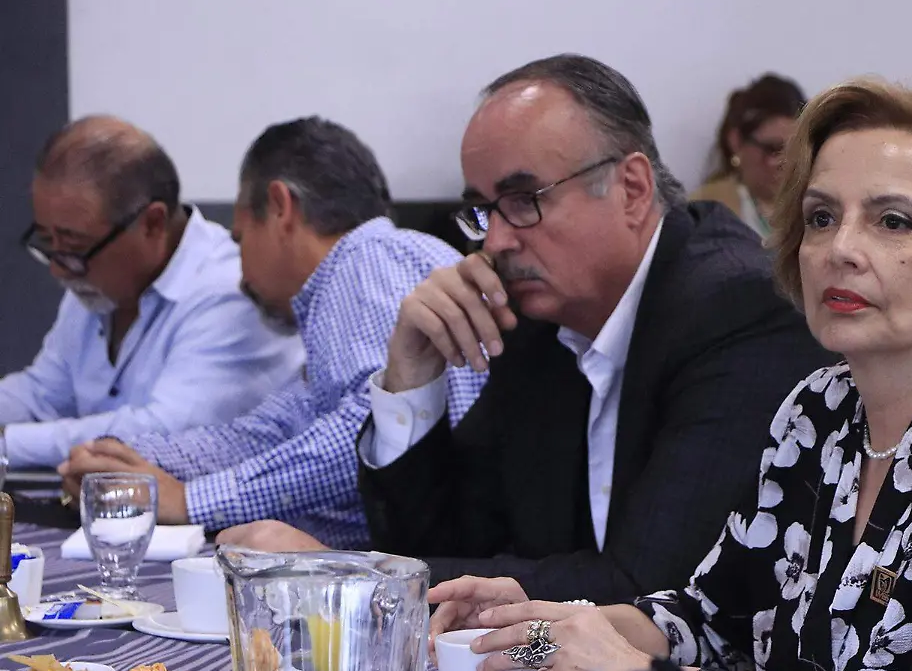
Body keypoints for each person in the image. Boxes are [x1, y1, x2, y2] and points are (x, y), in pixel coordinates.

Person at [424, 78, 912, 671]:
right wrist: (537, 631)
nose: (841, 249)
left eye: (893, 222)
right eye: (822, 217)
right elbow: (711, 617)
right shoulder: (819, 409)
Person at [220, 54, 829, 601]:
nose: (496, 242)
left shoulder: (736, 309)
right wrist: (412, 380)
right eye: (483, 210)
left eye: (523, 200)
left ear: (632, 189)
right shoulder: (538, 317)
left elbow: (650, 591)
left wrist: (349, 574)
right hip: (551, 668)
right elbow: (450, 546)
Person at [58, 117, 485, 549]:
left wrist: (191, 502)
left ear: (280, 206)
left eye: (241, 239)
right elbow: (268, 433)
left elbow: (368, 426)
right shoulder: (353, 286)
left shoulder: (368, 257)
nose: (241, 275)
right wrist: (127, 460)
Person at [0, 116, 303, 470]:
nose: (59, 268)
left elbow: (163, 434)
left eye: (74, 245)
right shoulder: (91, 277)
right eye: (47, 241)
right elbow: (44, 393)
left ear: (153, 223)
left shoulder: (231, 288)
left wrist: (8, 443)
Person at [692, 75, 807, 239]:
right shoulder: (705, 209)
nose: (785, 162)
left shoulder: (816, 203)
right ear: (736, 142)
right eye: (773, 149)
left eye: (795, 150)